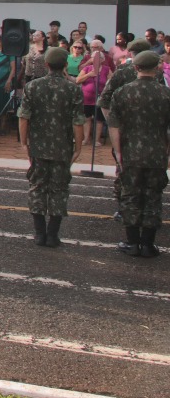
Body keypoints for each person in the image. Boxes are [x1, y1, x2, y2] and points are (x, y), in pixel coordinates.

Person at [17, 46, 84, 248]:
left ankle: (39, 233)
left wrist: (23, 142)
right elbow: (78, 122)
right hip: (62, 148)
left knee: (37, 187)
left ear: (46, 64)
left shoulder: (33, 86)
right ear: (65, 65)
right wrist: (78, 148)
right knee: (59, 189)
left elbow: (24, 117)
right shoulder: (73, 89)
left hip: (38, 146)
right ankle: (53, 235)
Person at [107, 50, 169, 257]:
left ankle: (132, 242)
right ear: (157, 68)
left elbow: (114, 126)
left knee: (131, 196)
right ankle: (148, 244)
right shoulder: (165, 94)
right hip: (157, 153)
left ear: (136, 68)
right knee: (153, 197)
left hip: (130, 152)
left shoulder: (123, 92)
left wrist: (118, 151)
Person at [75, 42, 110, 146]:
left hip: (99, 98)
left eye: (98, 58)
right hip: (87, 98)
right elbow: (78, 80)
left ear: (102, 60)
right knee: (87, 118)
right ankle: (86, 139)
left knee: (99, 120)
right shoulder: (87, 69)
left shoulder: (106, 69)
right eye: (94, 57)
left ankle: (97, 140)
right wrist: (89, 75)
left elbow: (111, 81)